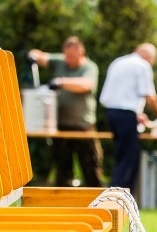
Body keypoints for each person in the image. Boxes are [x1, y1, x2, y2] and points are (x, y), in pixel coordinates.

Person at [29, 37, 103, 187]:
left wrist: (61, 82)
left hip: (84, 127)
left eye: (72, 57)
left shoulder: (89, 67)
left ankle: (99, 204)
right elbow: (40, 55)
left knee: (91, 169)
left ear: (81, 53)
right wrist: (33, 56)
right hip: (62, 126)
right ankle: (63, 204)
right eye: (66, 56)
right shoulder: (61, 61)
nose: (68, 60)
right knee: (62, 170)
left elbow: (86, 85)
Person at [99, 43, 157, 193]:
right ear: (149, 57)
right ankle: (120, 197)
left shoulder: (118, 62)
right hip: (126, 115)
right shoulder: (142, 65)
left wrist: (136, 114)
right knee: (129, 159)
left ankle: (115, 194)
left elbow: (118, 95)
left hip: (111, 113)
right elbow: (150, 97)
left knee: (121, 155)